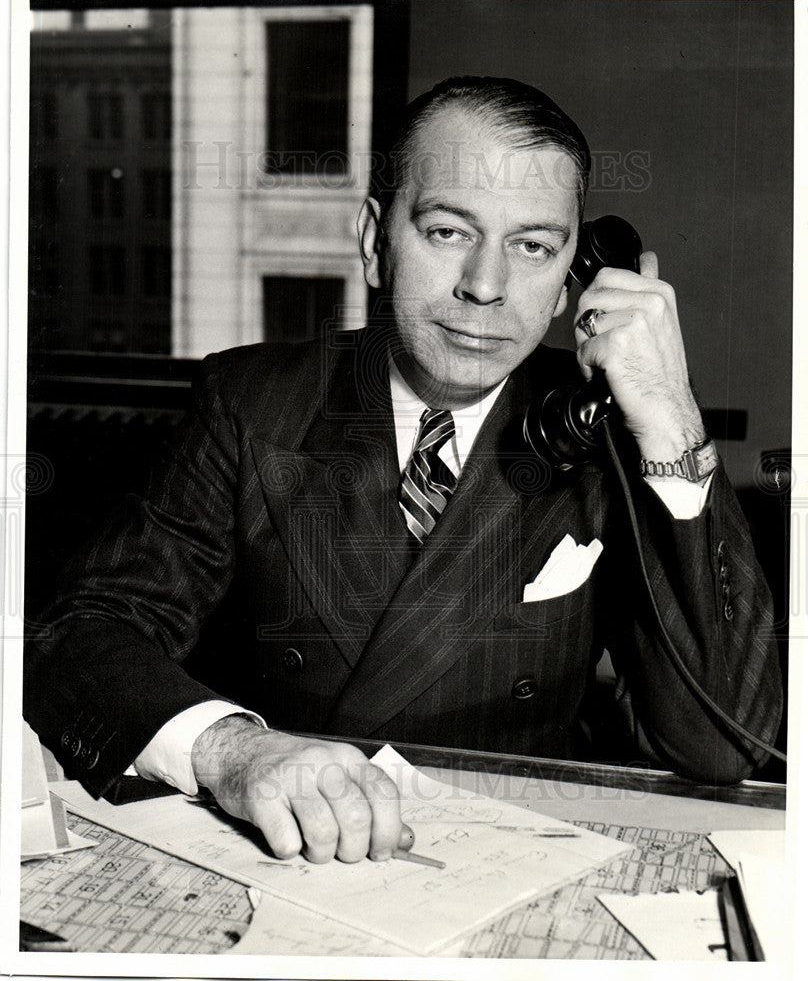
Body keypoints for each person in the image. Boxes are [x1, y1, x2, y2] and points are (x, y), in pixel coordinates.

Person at [25, 77, 782, 866]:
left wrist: (669, 415)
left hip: (514, 853)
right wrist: (234, 752)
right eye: (450, 232)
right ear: (374, 242)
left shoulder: (612, 435)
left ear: (573, 278)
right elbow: (75, 637)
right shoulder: (252, 403)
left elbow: (725, 745)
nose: (486, 287)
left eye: (532, 246)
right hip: (279, 846)